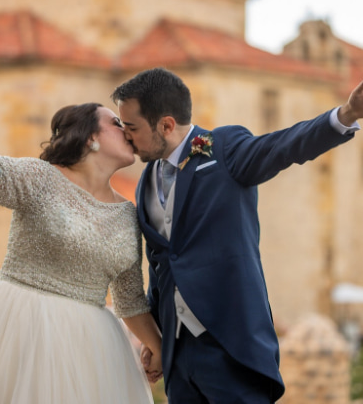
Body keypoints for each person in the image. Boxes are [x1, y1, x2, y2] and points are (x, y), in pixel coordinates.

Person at [0, 72, 162, 403]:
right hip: (18, 329)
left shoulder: (129, 215)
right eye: (115, 122)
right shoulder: (39, 178)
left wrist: (158, 348)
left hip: (89, 350)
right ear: (90, 138)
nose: (126, 128)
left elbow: (129, 300)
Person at [111, 67, 363, 403]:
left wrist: (346, 114)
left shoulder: (224, 150)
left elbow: (284, 146)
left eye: (132, 128)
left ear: (166, 125)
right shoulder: (146, 180)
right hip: (178, 353)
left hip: (231, 346)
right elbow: (162, 264)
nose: (127, 137)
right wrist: (158, 340)